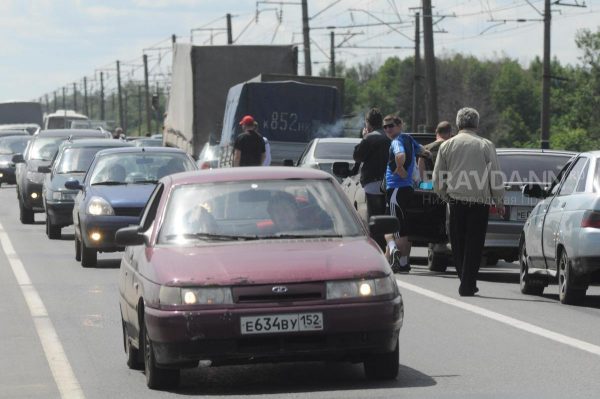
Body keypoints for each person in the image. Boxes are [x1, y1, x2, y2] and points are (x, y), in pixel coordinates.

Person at [433, 107, 505, 296]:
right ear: (476, 124)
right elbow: (495, 176)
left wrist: (443, 195)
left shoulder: (447, 145)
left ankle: (465, 281)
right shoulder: (485, 145)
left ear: (458, 124)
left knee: (458, 244)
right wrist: (499, 201)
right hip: (480, 203)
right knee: (475, 245)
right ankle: (468, 282)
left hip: (456, 201)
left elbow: (437, 177)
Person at [385, 117, 430, 273]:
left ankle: (394, 250)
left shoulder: (396, 141)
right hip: (408, 189)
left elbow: (399, 155)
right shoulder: (409, 139)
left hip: (395, 189)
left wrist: (400, 167)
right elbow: (423, 151)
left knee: (390, 226)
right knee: (404, 229)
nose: (387, 129)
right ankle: (404, 263)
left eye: (391, 126)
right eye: (385, 127)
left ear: (399, 125)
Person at [352, 108, 390, 249]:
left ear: (368, 123)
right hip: (389, 183)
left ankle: (377, 249)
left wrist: (364, 137)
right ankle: (387, 249)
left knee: (373, 219)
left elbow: (358, 156)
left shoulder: (370, 137)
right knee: (386, 220)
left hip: (372, 183)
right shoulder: (389, 137)